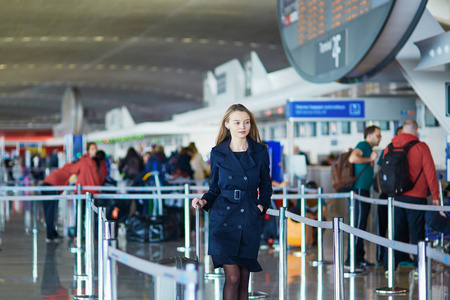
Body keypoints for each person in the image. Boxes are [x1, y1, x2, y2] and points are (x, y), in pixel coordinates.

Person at [192, 104, 272, 300]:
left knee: (244, 279)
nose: (242, 126)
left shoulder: (260, 151)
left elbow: (266, 185)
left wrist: (260, 206)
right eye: (237, 122)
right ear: (227, 124)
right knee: (233, 277)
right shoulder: (218, 153)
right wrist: (203, 201)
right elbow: (215, 188)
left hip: (248, 218)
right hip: (223, 219)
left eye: (246, 122)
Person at [382, 119, 440, 274]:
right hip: (416, 198)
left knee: (395, 232)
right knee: (416, 232)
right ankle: (419, 267)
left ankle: (390, 267)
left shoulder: (389, 147)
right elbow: (430, 173)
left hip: (395, 197)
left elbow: (384, 171)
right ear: (416, 131)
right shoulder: (421, 147)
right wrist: (435, 195)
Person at [41, 150, 107, 242]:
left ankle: (52, 234)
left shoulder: (67, 166)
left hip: (47, 184)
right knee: (51, 212)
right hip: (51, 186)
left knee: (50, 212)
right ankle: (50, 235)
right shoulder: (77, 165)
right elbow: (76, 171)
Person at [344, 125, 381, 271]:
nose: (380, 139)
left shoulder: (367, 147)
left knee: (361, 225)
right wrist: (369, 158)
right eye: (378, 135)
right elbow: (353, 158)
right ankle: (351, 259)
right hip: (358, 191)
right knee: (357, 225)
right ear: (369, 135)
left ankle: (359, 257)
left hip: (363, 191)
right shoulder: (363, 145)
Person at [375, 126, 412, 265]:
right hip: (387, 194)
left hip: (401, 195)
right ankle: (381, 257)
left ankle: (402, 256)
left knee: (401, 226)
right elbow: (380, 169)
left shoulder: (411, 149)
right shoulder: (388, 149)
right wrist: (381, 190)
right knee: (384, 226)